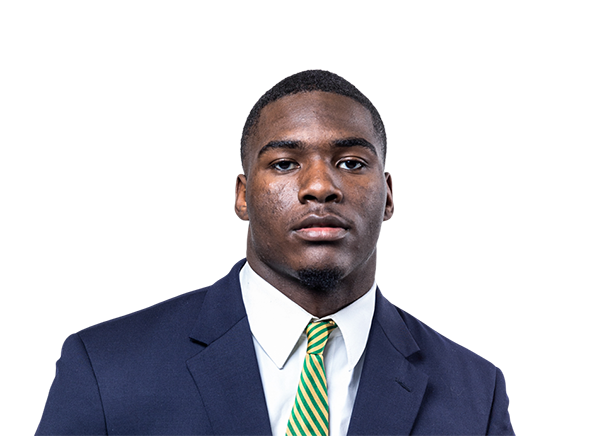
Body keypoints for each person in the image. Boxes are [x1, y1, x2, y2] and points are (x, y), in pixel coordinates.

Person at [38, 70, 513, 435]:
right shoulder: (108, 371)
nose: (320, 186)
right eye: (285, 164)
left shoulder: (476, 393)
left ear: (388, 195)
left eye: (351, 163)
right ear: (242, 195)